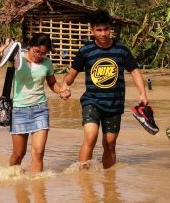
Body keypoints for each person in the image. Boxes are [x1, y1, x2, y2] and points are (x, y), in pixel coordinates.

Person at [60, 9, 148, 169]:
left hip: (114, 104)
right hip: (91, 101)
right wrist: (65, 85)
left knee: (110, 144)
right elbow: (71, 75)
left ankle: (109, 183)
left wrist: (142, 93)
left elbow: (134, 72)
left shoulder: (121, 50)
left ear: (110, 29)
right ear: (92, 30)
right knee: (90, 137)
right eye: (99, 30)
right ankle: (83, 178)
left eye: (106, 29)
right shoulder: (85, 51)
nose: (103, 33)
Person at [0, 33, 66, 174]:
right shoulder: (16, 58)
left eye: (43, 53)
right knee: (18, 154)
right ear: (29, 47)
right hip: (19, 111)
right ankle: (15, 181)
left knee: (38, 152)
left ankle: (37, 188)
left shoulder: (47, 63)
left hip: (40, 109)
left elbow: (52, 83)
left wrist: (61, 91)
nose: (39, 55)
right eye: (37, 51)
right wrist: (6, 47)